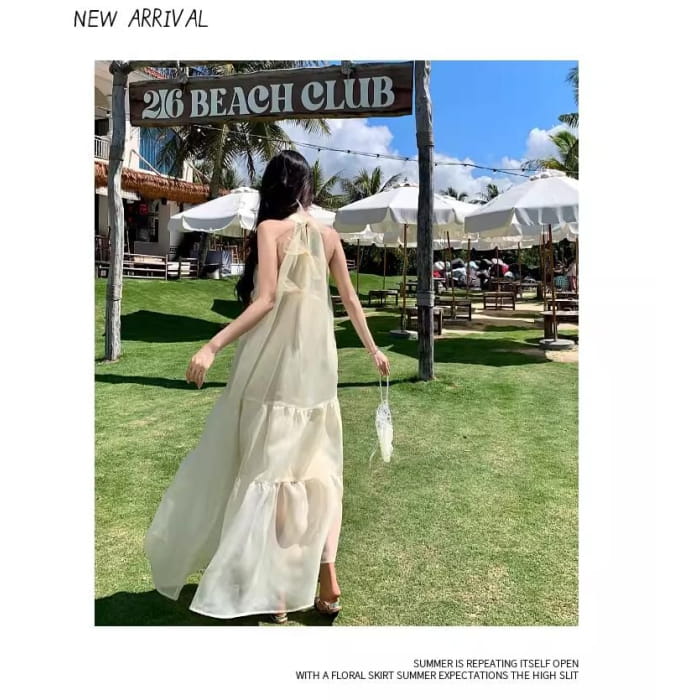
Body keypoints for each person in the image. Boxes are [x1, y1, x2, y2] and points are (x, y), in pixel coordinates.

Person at [144, 150, 390, 624]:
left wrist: (212, 345)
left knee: (273, 476)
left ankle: (278, 592)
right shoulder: (329, 235)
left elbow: (266, 300)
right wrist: (373, 349)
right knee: (320, 475)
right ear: (306, 187)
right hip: (317, 372)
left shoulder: (270, 230)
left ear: (274, 187)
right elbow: (350, 300)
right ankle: (326, 578)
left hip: (272, 369)